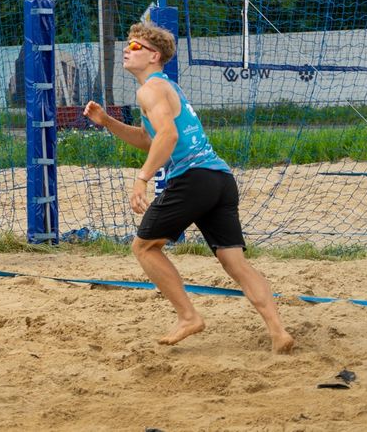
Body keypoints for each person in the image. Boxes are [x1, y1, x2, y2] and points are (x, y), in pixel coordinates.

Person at [83, 22, 294, 354]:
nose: (127, 49)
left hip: (193, 178)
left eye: (135, 46)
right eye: (127, 44)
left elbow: (169, 137)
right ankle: (278, 332)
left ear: (153, 56)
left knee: (144, 248)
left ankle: (187, 316)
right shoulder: (163, 88)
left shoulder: (150, 89)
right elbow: (149, 139)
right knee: (235, 263)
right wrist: (108, 123)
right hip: (219, 179)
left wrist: (142, 179)